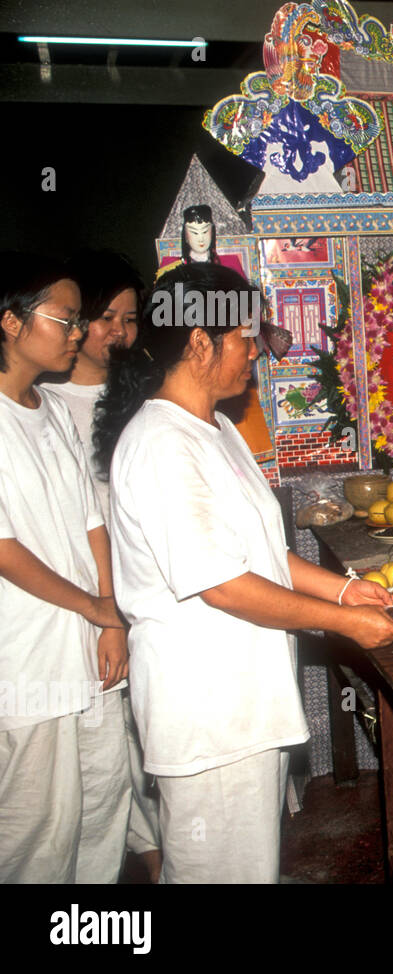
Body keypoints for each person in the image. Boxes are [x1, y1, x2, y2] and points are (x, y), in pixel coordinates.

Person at [97, 262, 393, 883]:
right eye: (244, 337)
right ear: (198, 342)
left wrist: (345, 588)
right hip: (208, 712)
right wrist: (345, 624)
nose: (255, 353)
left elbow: (260, 555)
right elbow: (223, 585)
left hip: (244, 703)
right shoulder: (162, 444)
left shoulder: (215, 427)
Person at [0, 253, 130, 883]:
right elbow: (3, 548)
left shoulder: (50, 408)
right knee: (37, 832)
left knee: (103, 804)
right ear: (11, 323)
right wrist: (91, 607)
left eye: (82, 321)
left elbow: (91, 520)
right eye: (67, 319)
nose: (78, 332)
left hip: (88, 645)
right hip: (27, 657)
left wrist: (110, 619)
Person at [40, 250, 164, 883]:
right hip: (80, 593)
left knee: (139, 730)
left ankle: (152, 851)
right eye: (104, 316)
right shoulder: (41, 401)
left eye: (130, 317)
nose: (119, 331)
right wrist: (98, 605)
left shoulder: (141, 391)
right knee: (91, 750)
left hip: (141, 580)